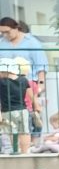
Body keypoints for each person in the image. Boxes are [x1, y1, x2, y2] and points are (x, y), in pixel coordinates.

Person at [0, 21, 33, 153]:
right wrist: (35, 105)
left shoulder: (1, 82)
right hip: (22, 110)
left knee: (9, 132)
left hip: (7, 111)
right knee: (24, 132)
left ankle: (14, 150)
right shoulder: (23, 80)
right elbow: (30, 95)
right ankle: (25, 152)